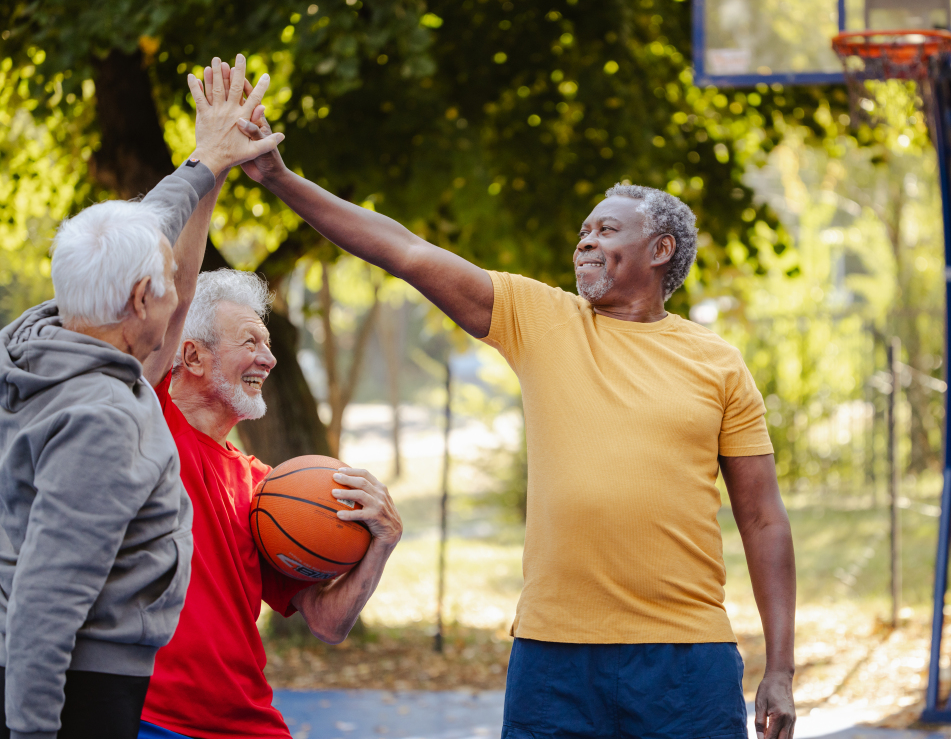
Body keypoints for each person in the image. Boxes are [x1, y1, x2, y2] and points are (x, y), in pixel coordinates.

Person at [237, 116, 799, 739]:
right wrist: (278, 178)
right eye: (583, 230)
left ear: (660, 251)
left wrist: (781, 668)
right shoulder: (542, 318)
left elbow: (764, 518)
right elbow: (405, 251)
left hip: (684, 658)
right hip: (552, 656)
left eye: (607, 229)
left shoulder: (717, 361)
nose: (585, 240)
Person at [0, 55, 283, 739]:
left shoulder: (35, 338)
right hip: (78, 688)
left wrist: (207, 160)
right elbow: (47, 601)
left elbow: (151, 229)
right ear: (137, 299)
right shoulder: (104, 418)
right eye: (165, 289)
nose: (179, 297)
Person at [136, 267, 403, 739]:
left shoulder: (268, 493)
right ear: (192, 355)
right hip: (153, 719)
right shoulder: (148, 423)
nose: (269, 359)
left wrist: (383, 542)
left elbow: (327, 623)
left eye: (268, 344)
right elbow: (170, 289)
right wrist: (202, 189)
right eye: (251, 343)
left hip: (247, 721)